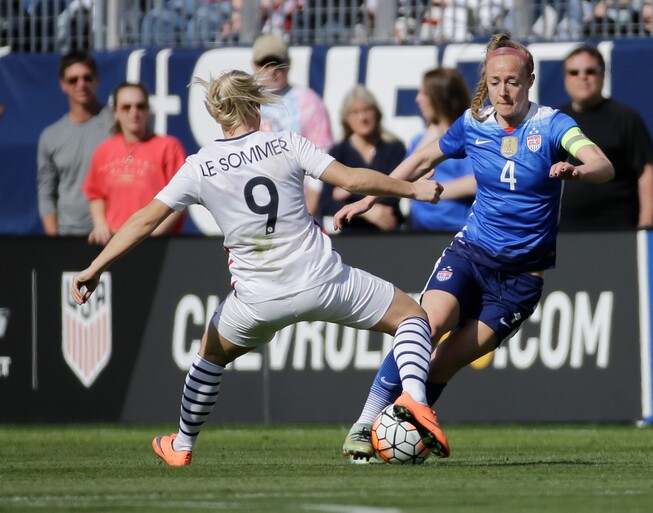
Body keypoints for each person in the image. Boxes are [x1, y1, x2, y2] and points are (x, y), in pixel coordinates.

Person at [71, 69, 449, 467]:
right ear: (253, 106)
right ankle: (415, 400)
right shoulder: (285, 144)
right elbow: (353, 179)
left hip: (257, 300)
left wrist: (95, 267)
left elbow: (145, 220)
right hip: (323, 280)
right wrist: (413, 189)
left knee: (209, 355)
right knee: (413, 317)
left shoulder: (198, 167)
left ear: (218, 116)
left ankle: (182, 445)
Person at [334, 33, 614, 462]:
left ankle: (402, 431)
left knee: (444, 363)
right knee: (425, 324)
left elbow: (602, 165)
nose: (504, 90)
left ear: (530, 81)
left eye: (514, 81)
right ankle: (364, 423)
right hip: (471, 254)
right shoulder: (474, 123)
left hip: (520, 280)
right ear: (487, 79)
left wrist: (578, 171)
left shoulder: (553, 125)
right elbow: (423, 160)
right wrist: (374, 196)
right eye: (496, 80)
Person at [557, 45, 653, 230]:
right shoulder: (555, 120)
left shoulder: (626, 118)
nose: (582, 77)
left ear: (602, 75)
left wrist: (646, 226)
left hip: (617, 231)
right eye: (574, 72)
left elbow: (646, 172)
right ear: (565, 78)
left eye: (590, 71)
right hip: (563, 233)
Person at [82, 82, 188, 246]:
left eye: (140, 106)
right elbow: (96, 195)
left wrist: (154, 234)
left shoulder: (168, 147)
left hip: (156, 243)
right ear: (115, 112)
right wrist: (100, 224)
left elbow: (182, 198)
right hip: (114, 242)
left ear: (148, 110)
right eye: (126, 107)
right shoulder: (104, 149)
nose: (134, 112)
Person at [251, 32, 333, 217]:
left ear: (288, 65)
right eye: (265, 64)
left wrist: (309, 214)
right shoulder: (246, 103)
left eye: (277, 64)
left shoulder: (308, 101)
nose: (271, 70)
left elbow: (321, 158)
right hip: (255, 202)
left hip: (296, 205)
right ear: (254, 65)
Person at [37, 49, 113, 236]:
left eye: (87, 77)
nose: (81, 84)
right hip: (68, 235)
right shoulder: (51, 136)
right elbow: (46, 191)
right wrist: (53, 234)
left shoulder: (116, 124)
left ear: (97, 80)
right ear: (63, 84)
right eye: (73, 80)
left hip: (113, 231)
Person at [317, 85, 406, 233]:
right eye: (355, 112)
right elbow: (325, 204)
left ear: (377, 113)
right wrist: (368, 211)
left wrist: (349, 190)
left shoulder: (394, 147)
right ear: (346, 119)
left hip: (389, 232)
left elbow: (395, 192)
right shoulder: (339, 151)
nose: (362, 117)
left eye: (367, 110)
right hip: (352, 235)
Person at [408, 67, 476, 232]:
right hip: (417, 233)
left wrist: (430, 192)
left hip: (457, 231)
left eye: (424, 93)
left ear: (440, 97)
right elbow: (401, 180)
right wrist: (430, 136)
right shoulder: (419, 139)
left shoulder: (470, 136)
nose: (418, 99)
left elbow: (475, 182)